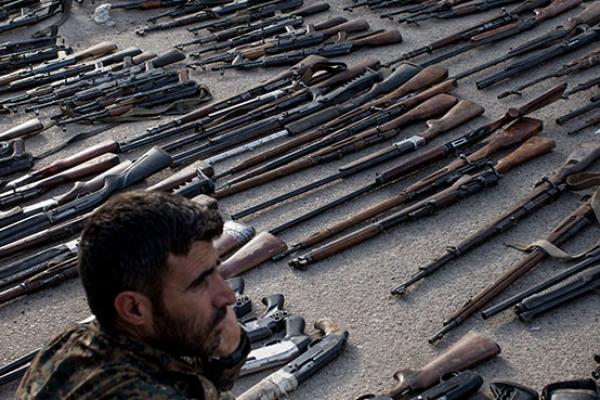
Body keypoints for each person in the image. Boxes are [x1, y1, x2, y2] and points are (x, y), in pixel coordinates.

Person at [17, 191, 250, 400]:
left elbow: (186, 374)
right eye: (200, 283)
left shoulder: (71, 343)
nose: (227, 295)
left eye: (216, 271)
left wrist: (229, 353)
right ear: (133, 308)